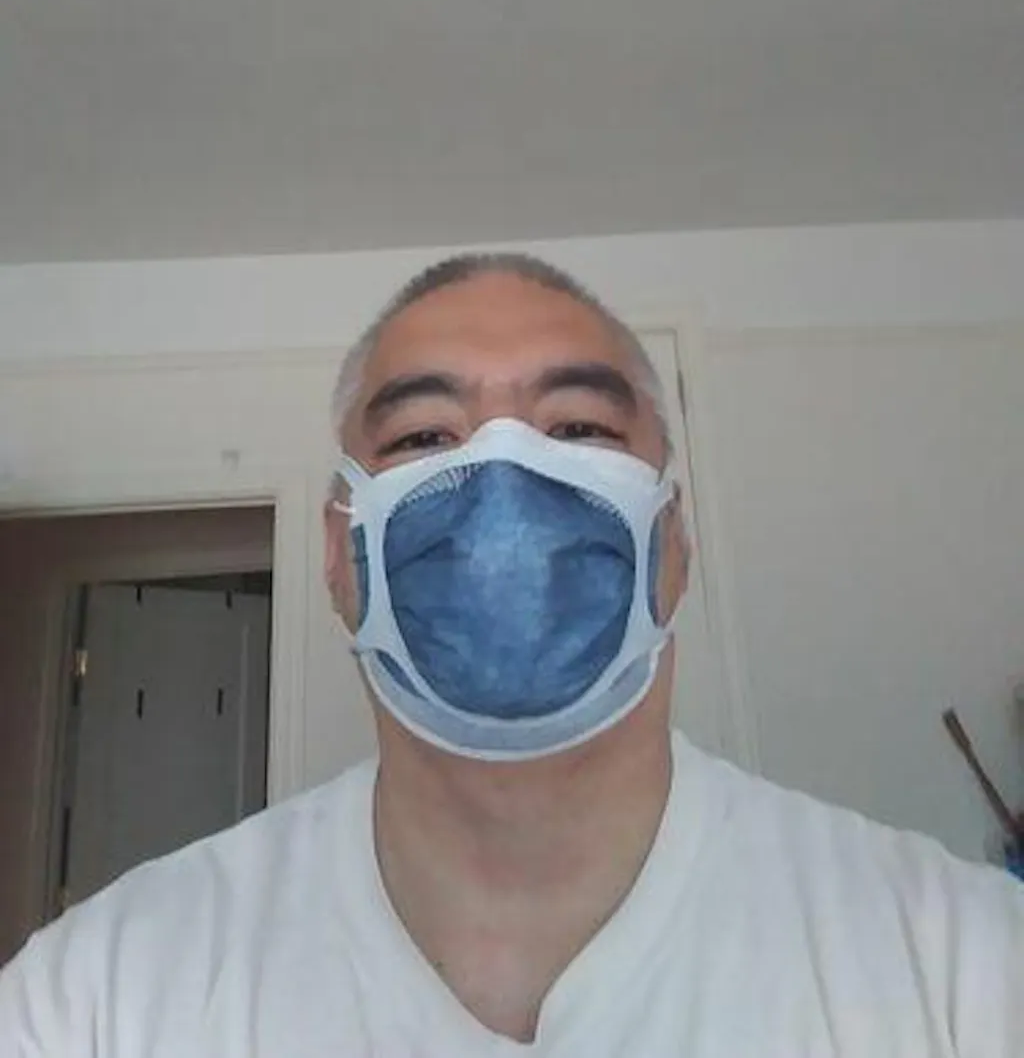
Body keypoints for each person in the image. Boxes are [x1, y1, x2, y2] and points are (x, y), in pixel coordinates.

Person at [1, 252, 1021, 1056]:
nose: (502, 471)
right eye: (422, 438)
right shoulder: (96, 999)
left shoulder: (962, 965)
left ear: (673, 541)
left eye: (576, 425)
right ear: (340, 554)